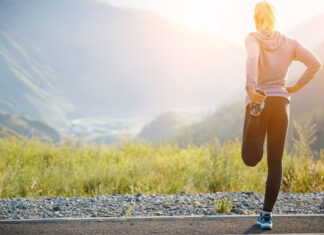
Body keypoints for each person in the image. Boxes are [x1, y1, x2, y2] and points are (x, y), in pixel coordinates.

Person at [241, 0, 321, 230]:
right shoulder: (290, 42)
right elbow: (314, 63)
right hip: (281, 103)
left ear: (256, 18)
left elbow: (252, 59)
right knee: (275, 161)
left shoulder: (252, 38)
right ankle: (266, 216)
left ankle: (255, 115)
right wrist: (295, 88)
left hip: (260, 100)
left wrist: (252, 88)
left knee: (250, 158)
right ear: (275, 17)